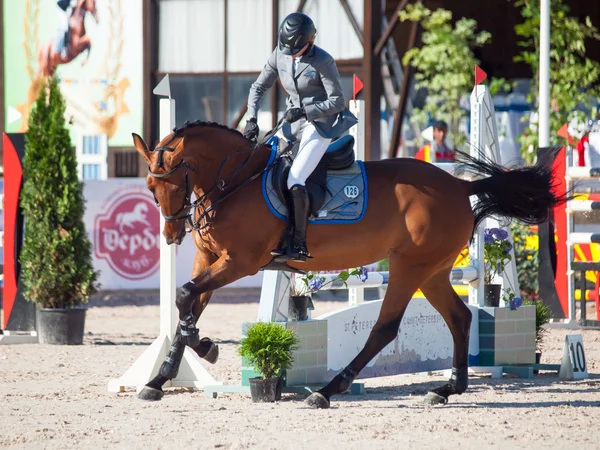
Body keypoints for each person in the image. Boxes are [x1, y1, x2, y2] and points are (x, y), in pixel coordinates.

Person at [244, 12, 358, 263]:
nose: (289, 54)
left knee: (296, 176)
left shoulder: (323, 61)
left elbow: (337, 101)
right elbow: (258, 87)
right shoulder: (280, 53)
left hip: (320, 124)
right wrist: (251, 118)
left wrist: (307, 110)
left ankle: (299, 242)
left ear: (309, 42)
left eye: (295, 49)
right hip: (293, 124)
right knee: (268, 167)